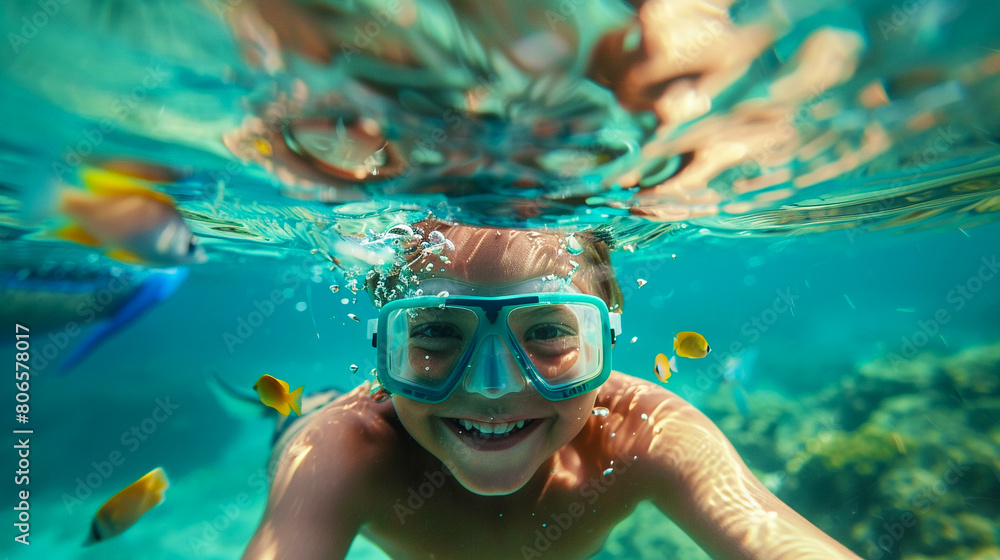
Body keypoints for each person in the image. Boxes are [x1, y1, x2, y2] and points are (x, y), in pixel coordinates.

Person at [242, 220, 862, 560]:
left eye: (543, 333)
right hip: (310, 419)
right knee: (304, 413)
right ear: (383, 348)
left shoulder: (643, 433)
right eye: (434, 332)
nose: (492, 388)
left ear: (609, 337)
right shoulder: (346, 450)